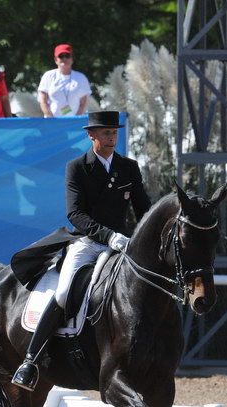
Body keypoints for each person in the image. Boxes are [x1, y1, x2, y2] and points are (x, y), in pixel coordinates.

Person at [11, 111, 151, 391]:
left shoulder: (129, 168)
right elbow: (75, 214)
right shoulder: (77, 167)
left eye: (114, 133)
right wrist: (109, 236)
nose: (111, 138)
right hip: (87, 242)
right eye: (106, 133)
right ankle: (31, 359)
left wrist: (142, 238)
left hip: (122, 243)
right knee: (63, 293)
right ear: (92, 135)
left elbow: (144, 209)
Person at [38, 44, 91, 118]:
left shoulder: (81, 78)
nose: (64, 58)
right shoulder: (48, 76)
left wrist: (75, 120)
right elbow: (43, 101)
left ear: (72, 59)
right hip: (52, 121)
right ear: (56, 59)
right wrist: (51, 119)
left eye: (67, 56)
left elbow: (83, 103)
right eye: (61, 56)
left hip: (74, 123)